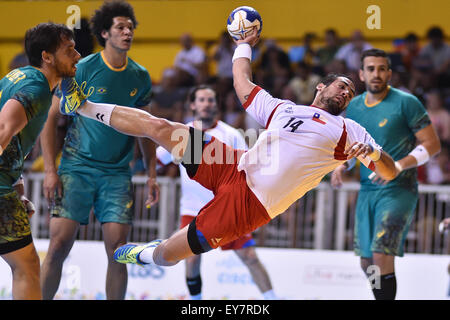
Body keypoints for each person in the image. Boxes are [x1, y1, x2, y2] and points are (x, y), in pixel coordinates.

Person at [57, 28, 397, 280]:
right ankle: (82, 106)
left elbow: (390, 172)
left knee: (171, 254)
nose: (346, 92)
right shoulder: (283, 108)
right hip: (230, 165)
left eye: (351, 92)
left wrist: (372, 153)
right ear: (321, 87)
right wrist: (243, 44)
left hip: (250, 205)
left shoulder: (350, 131)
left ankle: (147, 253)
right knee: (160, 126)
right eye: (342, 85)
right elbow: (242, 82)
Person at [39, 0, 159, 300]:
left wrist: (153, 173)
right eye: (120, 27)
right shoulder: (83, 68)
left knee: (119, 251)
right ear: (105, 33)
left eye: (130, 27)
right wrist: (50, 171)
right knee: (58, 245)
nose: (127, 32)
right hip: (76, 167)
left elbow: (146, 127)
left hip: (117, 173)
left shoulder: (140, 76)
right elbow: (50, 118)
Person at [331, 48, 441, 300]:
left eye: (382, 69)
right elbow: (352, 147)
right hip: (367, 190)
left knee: (381, 254)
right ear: (361, 73)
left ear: (389, 73)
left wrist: (399, 166)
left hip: (398, 189)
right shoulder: (354, 106)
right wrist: (341, 165)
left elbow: (432, 145)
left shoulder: (406, 102)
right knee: (366, 261)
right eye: (371, 69)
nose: (376, 74)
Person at [156, 85, 277, 300]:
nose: (206, 104)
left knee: (249, 256)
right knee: (191, 259)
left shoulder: (230, 134)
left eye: (210, 100)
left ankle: (272, 299)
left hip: (228, 209)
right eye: (201, 100)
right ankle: (196, 303)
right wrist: (149, 177)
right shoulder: (184, 134)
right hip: (192, 209)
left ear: (216, 105)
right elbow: (158, 160)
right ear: (192, 105)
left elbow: (246, 168)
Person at [0, 23, 80, 300]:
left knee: (26, 264)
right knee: (26, 267)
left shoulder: (18, 76)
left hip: (4, 188)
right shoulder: (36, 88)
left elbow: (11, 141)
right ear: (47, 56)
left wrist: (16, 186)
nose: (77, 55)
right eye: (69, 50)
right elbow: (1, 130)